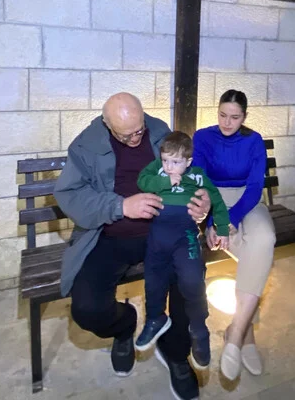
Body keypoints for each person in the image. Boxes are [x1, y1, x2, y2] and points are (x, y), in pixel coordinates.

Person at [54, 93, 212, 400]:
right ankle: (124, 326)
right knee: (87, 309)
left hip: (161, 232)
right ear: (107, 124)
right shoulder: (85, 146)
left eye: (140, 130)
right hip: (108, 236)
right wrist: (121, 206)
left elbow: (185, 174)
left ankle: (175, 352)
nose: (136, 138)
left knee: (189, 281)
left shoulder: (159, 130)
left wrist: (200, 199)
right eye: (126, 135)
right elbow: (70, 195)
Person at [192, 90, 276, 381]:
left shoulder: (253, 141)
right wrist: (213, 221)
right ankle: (245, 333)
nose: (227, 122)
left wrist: (231, 220)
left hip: (247, 202)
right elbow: (201, 183)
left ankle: (235, 332)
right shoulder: (203, 137)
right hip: (214, 199)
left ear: (245, 117)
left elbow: (254, 188)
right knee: (258, 257)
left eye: (235, 117)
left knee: (265, 239)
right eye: (222, 115)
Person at [135, 131, 231, 370]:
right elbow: (142, 181)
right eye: (165, 160)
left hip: (184, 234)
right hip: (158, 234)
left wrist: (222, 228)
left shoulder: (197, 176)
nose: (169, 166)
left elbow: (216, 200)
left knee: (192, 280)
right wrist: (164, 181)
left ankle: (198, 327)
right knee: (153, 279)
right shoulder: (159, 171)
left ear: (188, 161)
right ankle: (155, 318)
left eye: (175, 162)